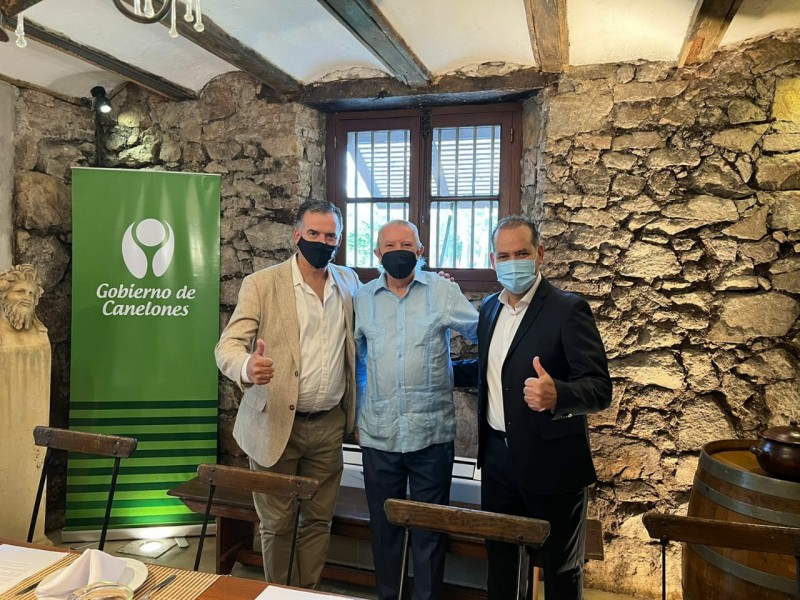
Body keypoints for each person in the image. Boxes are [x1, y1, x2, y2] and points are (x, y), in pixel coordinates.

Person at [454, 215, 611, 600]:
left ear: (540, 254)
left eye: (521, 253)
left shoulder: (567, 309)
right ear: (493, 261)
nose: (513, 262)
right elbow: (493, 369)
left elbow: (599, 388)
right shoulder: (489, 309)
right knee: (500, 565)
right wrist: (441, 370)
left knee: (560, 571)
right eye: (504, 256)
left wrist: (559, 395)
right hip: (497, 462)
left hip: (552, 465)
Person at [215, 200, 359, 588]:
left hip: (328, 427)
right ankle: (277, 592)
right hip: (275, 422)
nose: (321, 242)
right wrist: (248, 366)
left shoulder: (349, 283)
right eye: (313, 233)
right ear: (297, 235)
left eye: (330, 236)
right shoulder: (262, 284)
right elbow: (227, 346)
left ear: (339, 240)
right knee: (277, 523)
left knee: (318, 520)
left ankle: (307, 593)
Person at [354, 220, 479, 600]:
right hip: (379, 436)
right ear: (377, 253)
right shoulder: (361, 298)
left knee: (429, 532)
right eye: (390, 246)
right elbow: (356, 360)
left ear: (420, 251)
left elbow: (482, 331)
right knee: (385, 530)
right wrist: (362, 408)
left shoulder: (442, 291)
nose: (398, 252)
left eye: (406, 245)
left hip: (431, 436)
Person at [0, 263, 47, 343]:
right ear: (3, 296)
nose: (27, 298)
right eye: (20, 292)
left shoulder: (41, 333)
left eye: (31, 293)